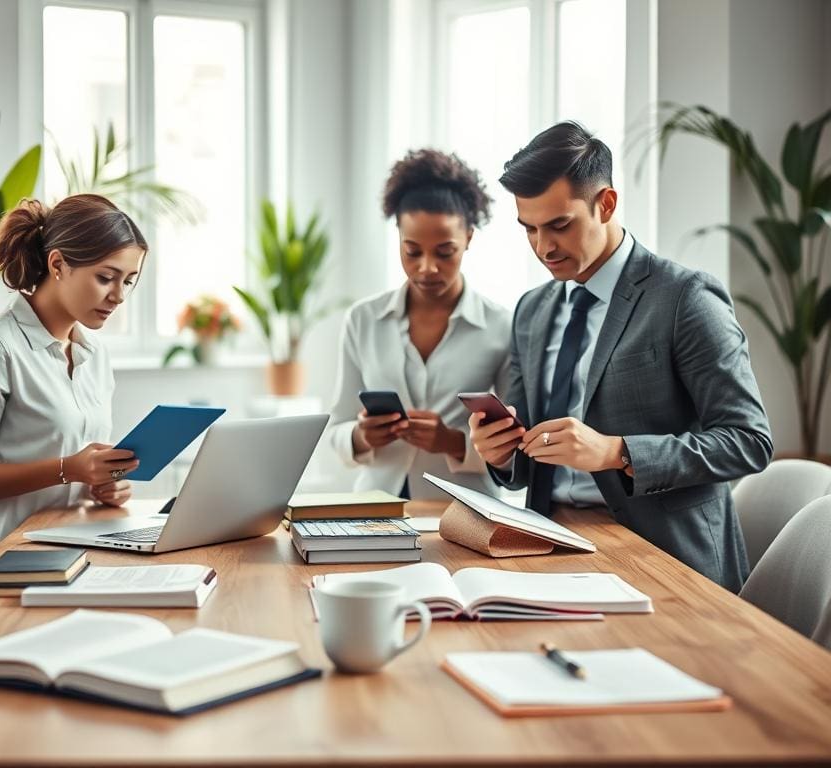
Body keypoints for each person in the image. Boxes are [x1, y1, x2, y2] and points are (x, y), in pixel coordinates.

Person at [468, 122, 772, 591]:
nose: (543, 247)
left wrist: (617, 452)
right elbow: (526, 457)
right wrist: (502, 453)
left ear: (606, 204)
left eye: (560, 225)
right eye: (528, 229)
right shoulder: (532, 309)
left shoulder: (685, 299)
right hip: (548, 544)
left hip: (665, 559)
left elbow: (748, 440)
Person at [0, 194, 148, 581]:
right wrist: (70, 469)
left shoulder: (94, 354)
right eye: (105, 277)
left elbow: (78, 463)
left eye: (128, 282)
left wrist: (103, 485)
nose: (117, 297)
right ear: (58, 264)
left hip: (63, 550)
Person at [326, 149, 515, 500]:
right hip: (375, 509)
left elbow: (514, 449)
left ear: (469, 238)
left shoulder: (502, 326)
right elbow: (336, 430)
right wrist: (362, 435)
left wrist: (454, 443)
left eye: (444, 252)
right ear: (398, 236)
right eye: (412, 251)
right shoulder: (364, 320)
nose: (427, 267)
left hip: (466, 512)